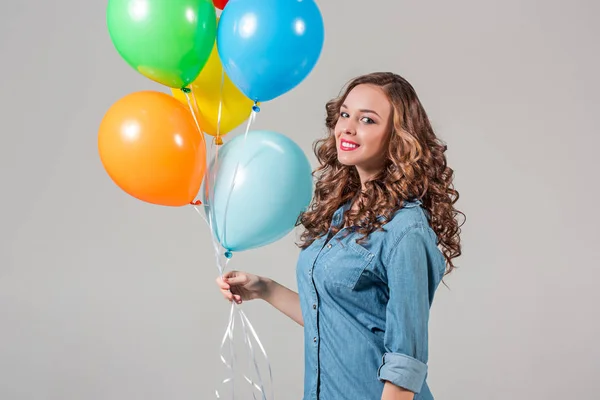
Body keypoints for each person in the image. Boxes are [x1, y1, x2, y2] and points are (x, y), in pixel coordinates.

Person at [215, 72, 464, 400]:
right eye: (345, 114)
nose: (347, 127)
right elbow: (336, 317)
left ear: (397, 137)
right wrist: (264, 288)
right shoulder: (343, 212)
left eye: (368, 120)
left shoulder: (407, 231)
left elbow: (406, 365)